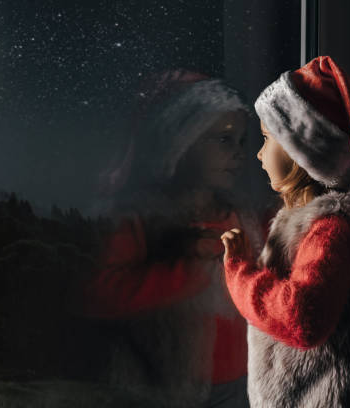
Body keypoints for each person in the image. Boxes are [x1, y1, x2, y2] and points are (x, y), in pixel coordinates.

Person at [221, 56, 350, 407]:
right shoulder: (308, 225)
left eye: (265, 139)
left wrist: (240, 274)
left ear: (300, 154)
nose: (259, 156)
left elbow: (301, 319)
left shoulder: (329, 230)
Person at [83, 70, 263, 407]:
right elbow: (101, 294)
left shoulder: (242, 215)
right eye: (224, 140)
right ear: (182, 140)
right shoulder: (138, 215)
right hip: (164, 387)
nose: (239, 153)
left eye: (241, 141)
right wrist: (189, 271)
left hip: (241, 382)